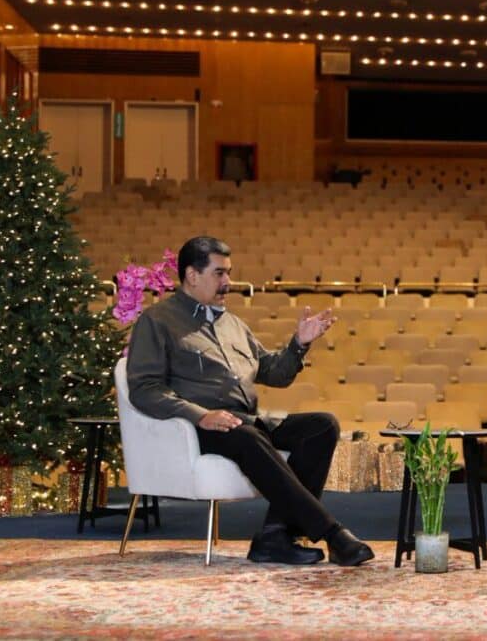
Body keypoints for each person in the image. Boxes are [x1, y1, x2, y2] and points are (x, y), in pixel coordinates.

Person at [127, 236, 374, 567]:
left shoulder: (232, 324)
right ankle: (332, 534)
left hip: (244, 421)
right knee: (245, 433)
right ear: (191, 275)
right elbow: (144, 388)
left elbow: (274, 373)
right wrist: (200, 415)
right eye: (219, 273)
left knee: (321, 426)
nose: (228, 282)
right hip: (195, 427)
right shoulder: (157, 321)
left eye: (229, 272)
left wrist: (299, 344)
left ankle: (274, 536)